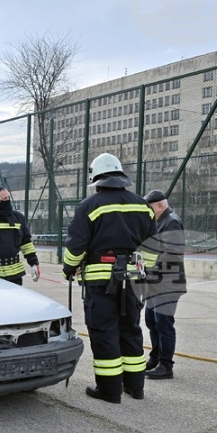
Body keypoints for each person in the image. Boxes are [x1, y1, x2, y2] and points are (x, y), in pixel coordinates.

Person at [62, 153, 158, 403]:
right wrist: (141, 270)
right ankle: (135, 388)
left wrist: (68, 269)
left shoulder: (89, 206)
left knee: (105, 331)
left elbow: (75, 247)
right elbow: (153, 247)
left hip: (101, 281)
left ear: (96, 177)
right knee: (131, 330)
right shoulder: (142, 205)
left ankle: (109, 389)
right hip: (134, 280)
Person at [142, 189, 187, 380]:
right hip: (157, 283)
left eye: (149, 208)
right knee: (152, 321)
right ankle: (156, 357)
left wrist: (152, 271)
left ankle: (166, 365)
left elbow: (172, 253)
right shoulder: (160, 222)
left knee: (164, 324)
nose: (148, 212)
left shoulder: (171, 222)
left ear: (160, 205)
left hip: (167, 284)